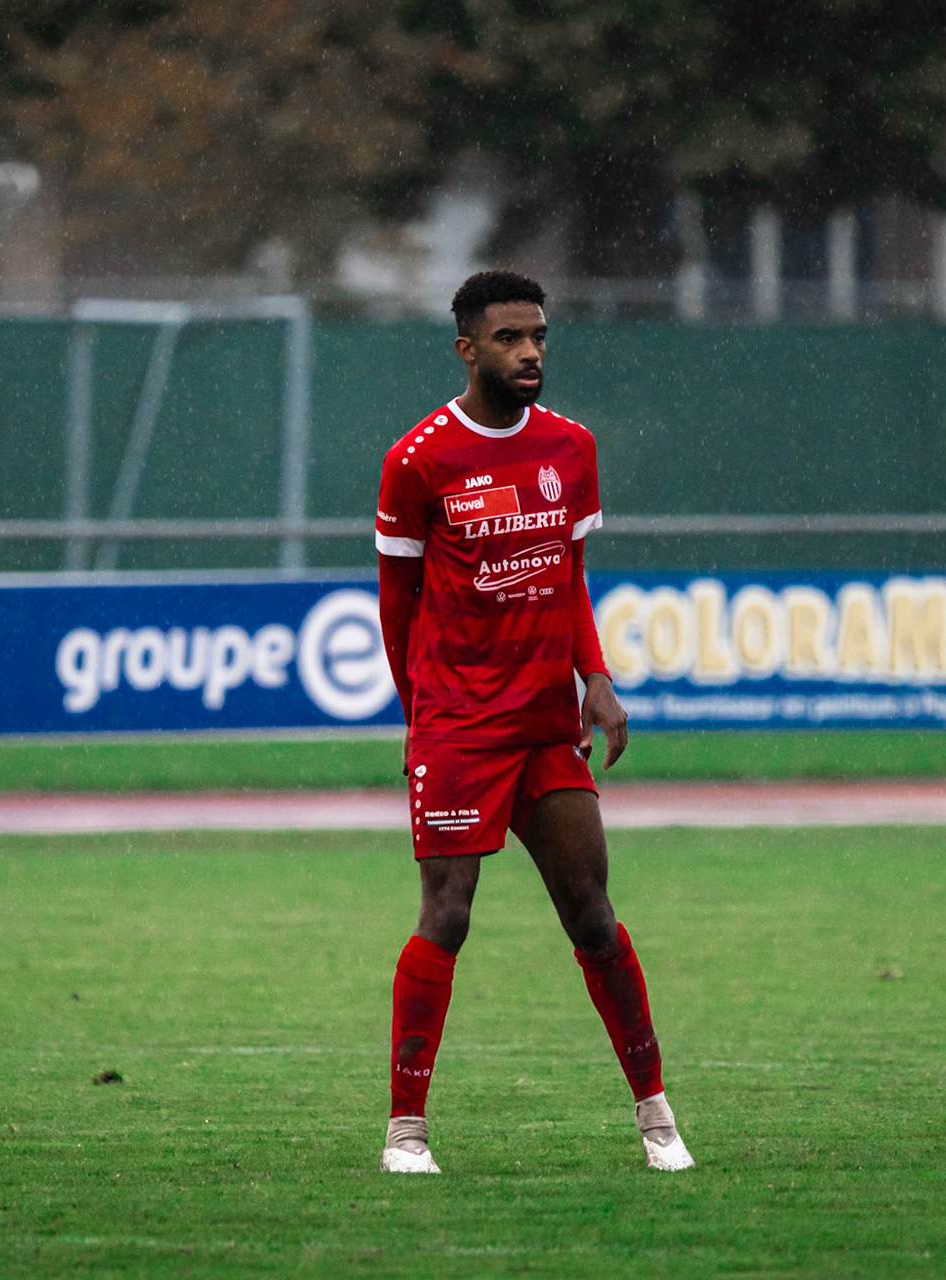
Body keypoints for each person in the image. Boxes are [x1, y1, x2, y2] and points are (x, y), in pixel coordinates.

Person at [372, 269, 692, 1174]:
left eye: (540, 337)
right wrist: (426, 717)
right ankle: (406, 1130)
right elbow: (397, 606)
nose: (530, 354)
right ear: (467, 348)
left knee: (592, 913)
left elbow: (569, 573)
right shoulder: (419, 460)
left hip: (548, 724)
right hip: (458, 729)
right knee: (448, 916)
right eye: (510, 339)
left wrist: (595, 673)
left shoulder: (571, 447)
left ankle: (657, 1117)